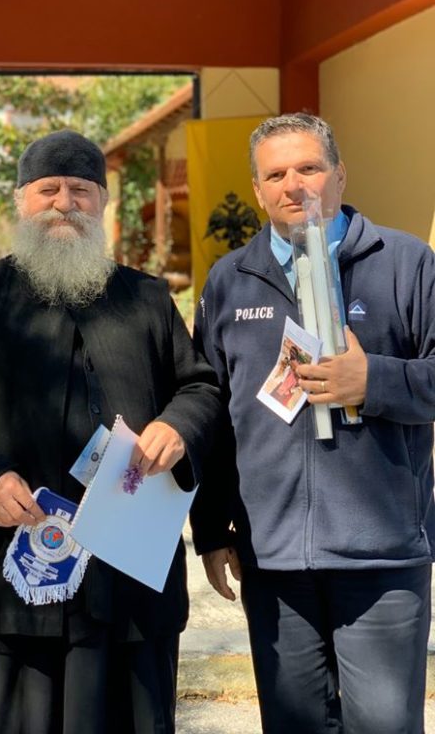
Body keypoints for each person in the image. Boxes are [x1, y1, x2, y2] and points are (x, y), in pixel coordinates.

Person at [0, 129, 222, 733]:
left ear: (102, 202)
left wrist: (177, 426)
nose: (64, 203)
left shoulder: (147, 299)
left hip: (130, 584)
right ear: (21, 201)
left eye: (81, 190)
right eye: (48, 189)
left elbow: (200, 388)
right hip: (18, 578)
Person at [190, 113, 435, 733]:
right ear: (257, 190)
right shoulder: (229, 281)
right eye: (275, 175)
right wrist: (211, 528)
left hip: (382, 555)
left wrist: (374, 381)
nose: (294, 185)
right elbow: (213, 414)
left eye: (309, 168)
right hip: (273, 559)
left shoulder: (406, 263)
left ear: (340, 175)